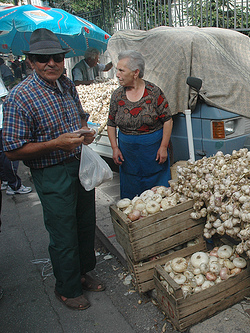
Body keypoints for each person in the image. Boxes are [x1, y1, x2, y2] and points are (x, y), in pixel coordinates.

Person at [2, 28, 105, 311]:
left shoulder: (67, 85)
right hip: (51, 172)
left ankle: (82, 273)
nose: (51, 64)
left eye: (56, 58)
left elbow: (81, 116)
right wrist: (54, 144)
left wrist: (85, 130)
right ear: (31, 62)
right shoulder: (19, 96)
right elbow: (11, 149)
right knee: (63, 231)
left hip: (78, 165)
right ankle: (67, 287)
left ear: (63, 59)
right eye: (43, 58)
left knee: (85, 225)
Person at [107, 50, 173, 199]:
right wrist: (114, 148)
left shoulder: (154, 92)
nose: (117, 74)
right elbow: (111, 123)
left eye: (121, 70)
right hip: (128, 154)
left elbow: (168, 120)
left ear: (135, 73)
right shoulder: (117, 96)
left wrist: (163, 147)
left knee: (158, 194)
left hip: (153, 152)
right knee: (132, 194)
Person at [0, 77, 31, 195]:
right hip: (3, 122)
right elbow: (5, 97)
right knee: (11, 153)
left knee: (2, 154)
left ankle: (5, 180)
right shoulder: (14, 98)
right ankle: (14, 185)